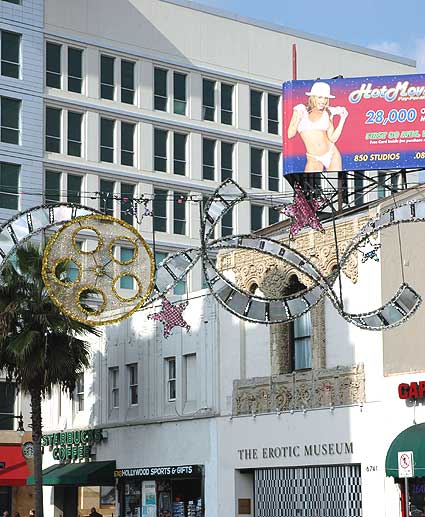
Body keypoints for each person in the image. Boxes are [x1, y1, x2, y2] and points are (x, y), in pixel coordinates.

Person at [287, 81, 348, 173]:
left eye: (325, 98)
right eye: (320, 97)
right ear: (313, 97)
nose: (323, 101)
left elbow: (332, 138)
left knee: (338, 185)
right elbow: (290, 134)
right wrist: (298, 120)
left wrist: (342, 120)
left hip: (332, 153)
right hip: (313, 157)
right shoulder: (300, 109)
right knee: (308, 186)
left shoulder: (328, 112)